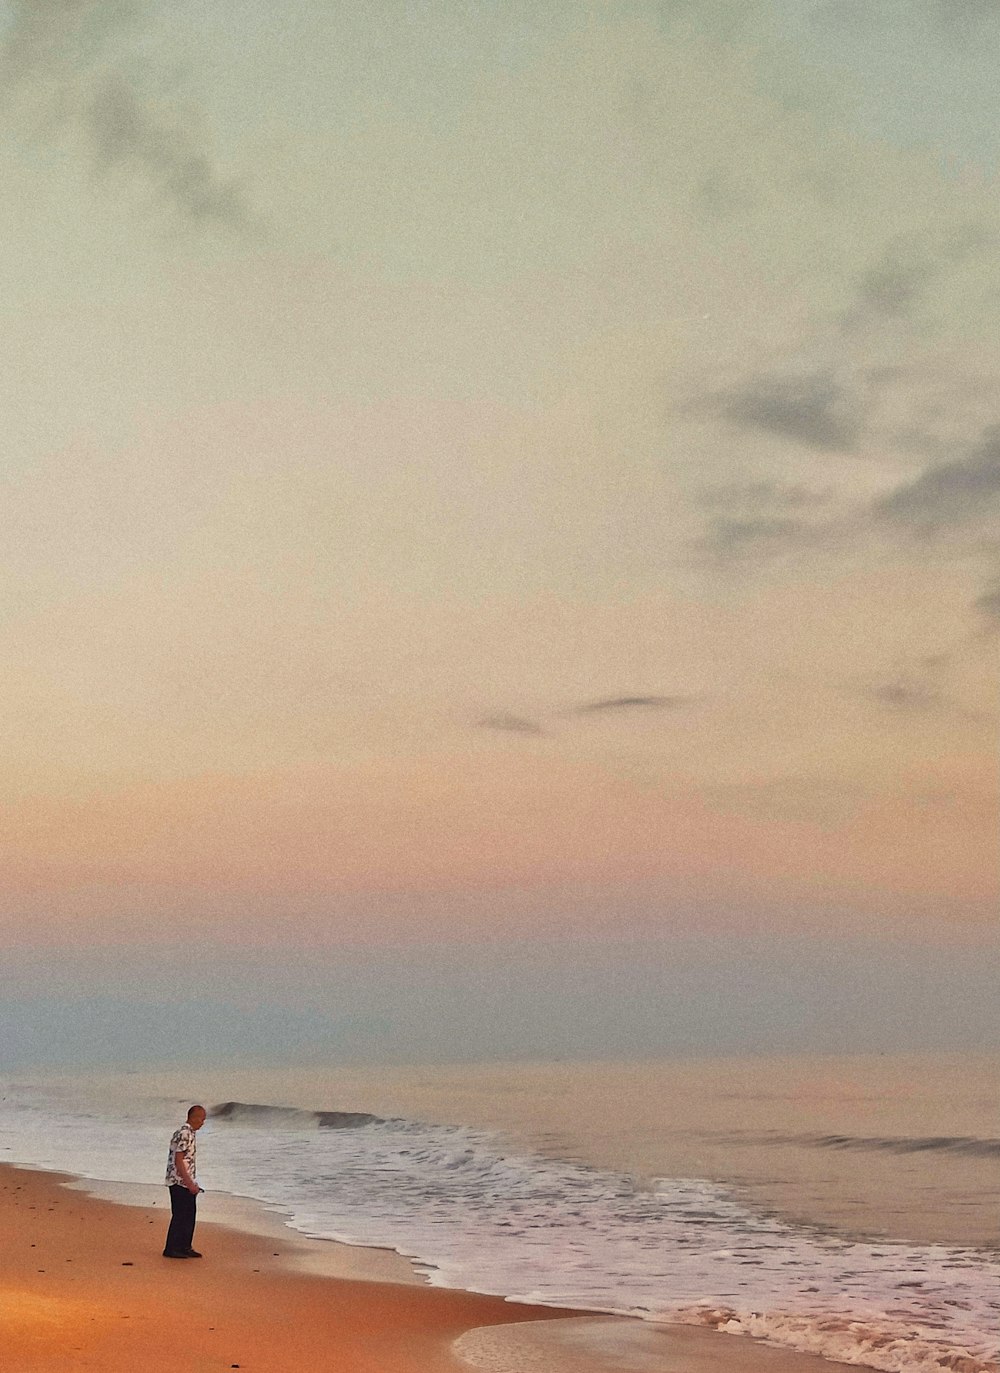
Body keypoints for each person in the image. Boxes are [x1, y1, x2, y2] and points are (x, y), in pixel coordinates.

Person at [163, 1104, 206, 1258]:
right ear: (193, 1117)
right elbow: (178, 1160)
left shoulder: (190, 1133)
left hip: (185, 1180)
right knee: (180, 1215)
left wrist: (193, 1183)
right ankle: (172, 1248)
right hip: (178, 1181)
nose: (203, 1122)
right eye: (201, 1118)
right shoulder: (184, 1133)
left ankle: (184, 1246)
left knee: (189, 1214)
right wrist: (189, 1183)